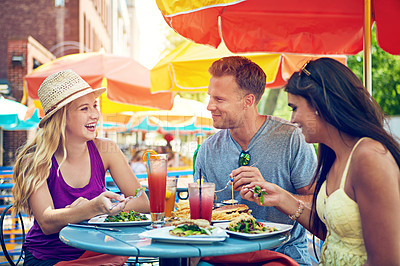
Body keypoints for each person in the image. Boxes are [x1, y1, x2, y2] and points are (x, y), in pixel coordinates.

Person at [241, 58, 400, 265]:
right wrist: (280, 198)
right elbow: (335, 234)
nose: (292, 119)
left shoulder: (369, 157)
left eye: (294, 108)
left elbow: (386, 260)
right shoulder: (336, 156)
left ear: (320, 105)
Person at [12, 69, 150, 265]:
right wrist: (91, 207)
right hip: (49, 257)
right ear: (61, 117)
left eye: (95, 105)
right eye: (84, 109)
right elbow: (47, 222)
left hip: (97, 251)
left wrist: (96, 209)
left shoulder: (106, 149)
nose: (95, 114)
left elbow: (143, 202)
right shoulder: (35, 159)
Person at [194, 56, 317, 265]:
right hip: (224, 256)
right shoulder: (207, 149)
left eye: (219, 99)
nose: (209, 106)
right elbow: (199, 214)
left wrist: (277, 194)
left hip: (282, 254)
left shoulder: (291, 138)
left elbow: (317, 202)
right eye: (210, 97)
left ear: (248, 101)